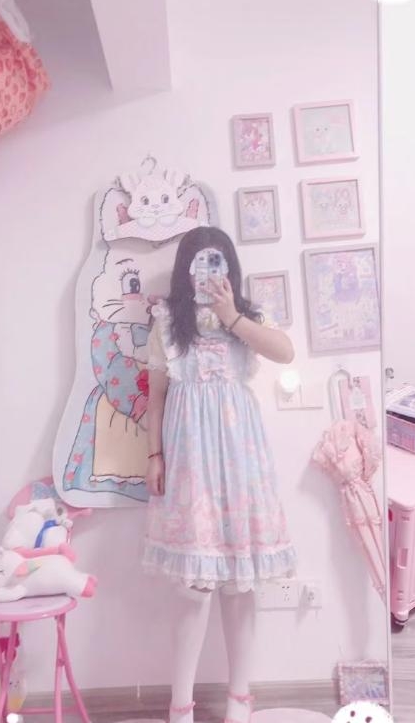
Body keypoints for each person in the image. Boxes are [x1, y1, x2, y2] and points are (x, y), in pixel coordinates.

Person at [143, 226, 296, 723]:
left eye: (217, 262)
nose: (207, 272)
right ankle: (180, 703)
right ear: (184, 269)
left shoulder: (247, 318)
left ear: (230, 266)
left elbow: (284, 352)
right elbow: (156, 397)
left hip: (240, 459)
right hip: (191, 462)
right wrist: (154, 455)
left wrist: (231, 316)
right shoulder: (168, 323)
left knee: (240, 582)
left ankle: (240, 697)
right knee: (194, 585)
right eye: (199, 262)